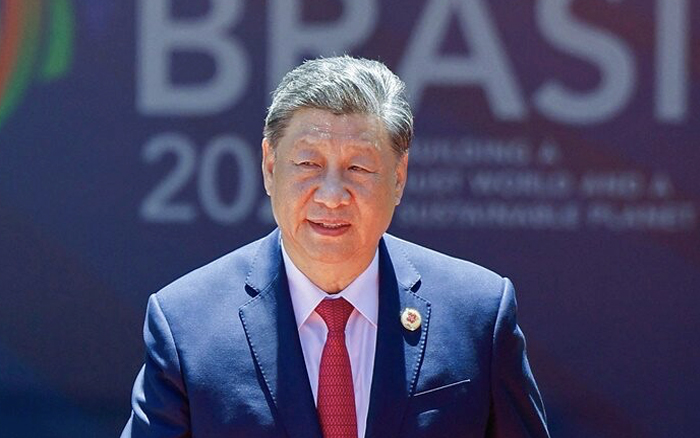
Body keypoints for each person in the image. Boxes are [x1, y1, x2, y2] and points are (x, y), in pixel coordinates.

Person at [121, 56, 550, 438]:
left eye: (358, 167)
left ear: (398, 177)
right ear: (270, 167)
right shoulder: (187, 325)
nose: (331, 195)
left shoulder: (478, 314)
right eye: (308, 164)